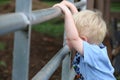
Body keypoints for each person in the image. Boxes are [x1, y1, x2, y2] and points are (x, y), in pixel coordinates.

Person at [53, 1, 116, 80]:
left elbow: (74, 39)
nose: (66, 38)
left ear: (83, 39)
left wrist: (67, 13)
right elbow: (77, 26)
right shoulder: (90, 46)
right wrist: (71, 6)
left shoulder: (94, 52)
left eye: (68, 35)